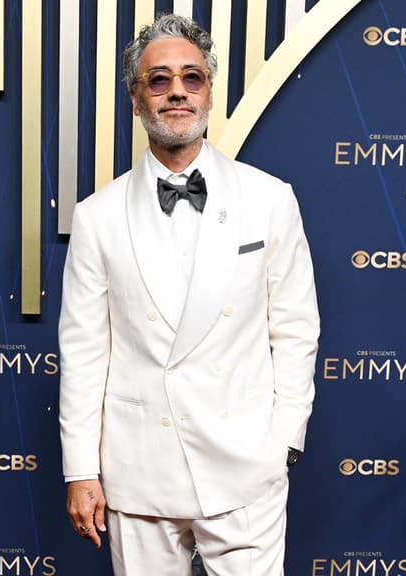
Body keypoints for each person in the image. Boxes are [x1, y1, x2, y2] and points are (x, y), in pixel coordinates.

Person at [58, 13, 320, 576]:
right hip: (139, 467)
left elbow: (296, 328)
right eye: (159, 79)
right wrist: (80, 468)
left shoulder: (271, 200)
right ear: (136, 99)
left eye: (191, 77)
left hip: (246, 466)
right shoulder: (96, 217)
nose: (177, 90)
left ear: (208, 93)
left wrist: (282, 443)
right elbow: (83, 352)